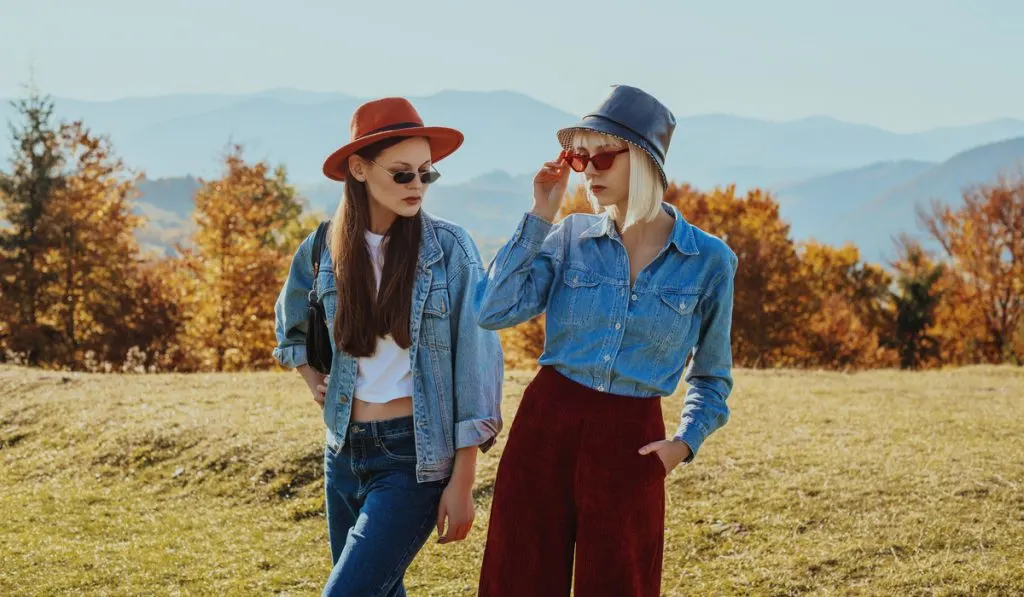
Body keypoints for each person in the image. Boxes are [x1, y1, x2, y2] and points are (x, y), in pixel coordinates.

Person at [475, 85, 737, 597]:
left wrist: (684, 444)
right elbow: (493, 309)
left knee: (620, 585)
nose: (589, 171)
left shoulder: (710, 261)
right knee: (519, 578)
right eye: (580, 158)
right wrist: (541, 214)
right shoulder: (569, 237)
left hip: (632, 439)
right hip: (546, 424)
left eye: (603, 157)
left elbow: (712, 374)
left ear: (643, 161)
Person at [273, 97, 503, 597]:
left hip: (414, 458)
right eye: (402, 174)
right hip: (342, 451)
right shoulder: (322, 248)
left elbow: (478, 371)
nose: (417, 185)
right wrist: (315, 380)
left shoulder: (450, 250)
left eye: (427, 174)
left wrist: (463, 484)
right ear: (358, 169)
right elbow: (290, 328)